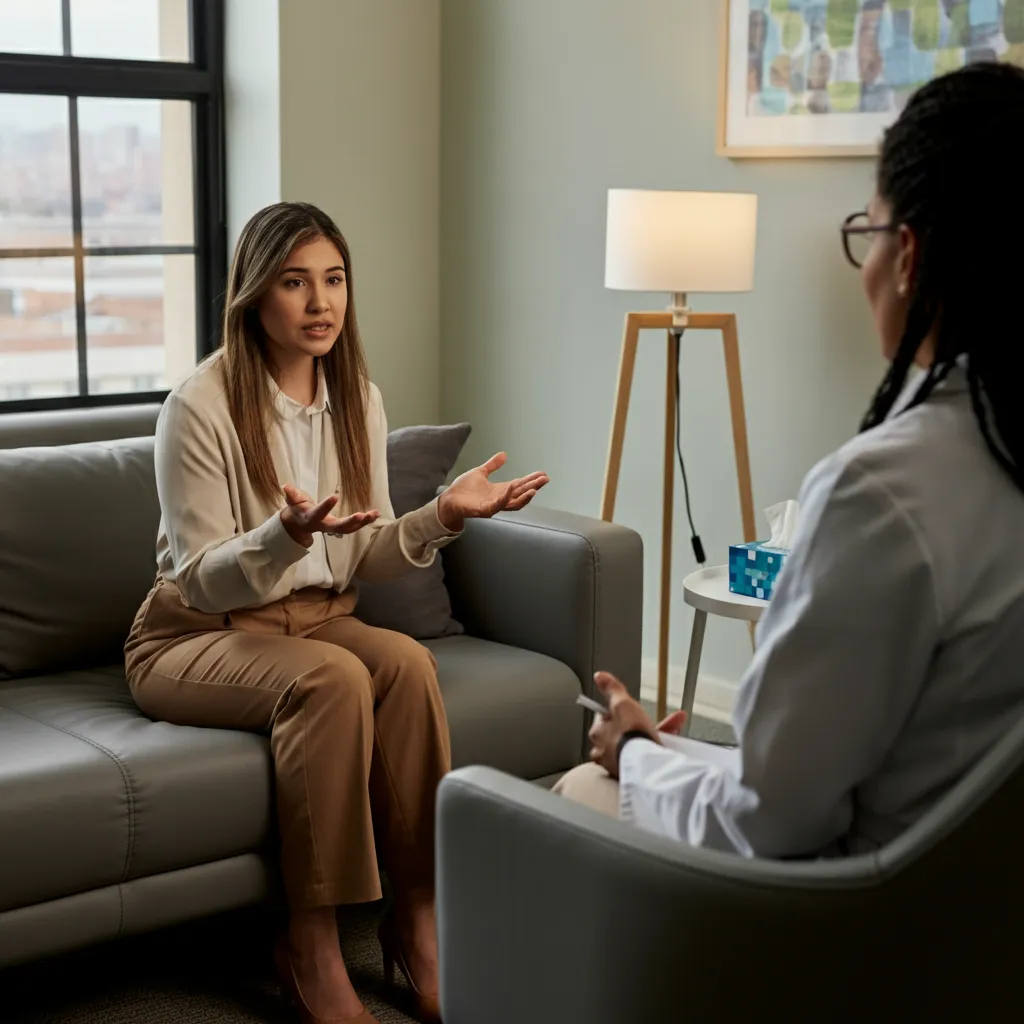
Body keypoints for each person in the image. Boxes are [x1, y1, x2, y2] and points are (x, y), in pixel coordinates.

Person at [556, 61, 1024, 860]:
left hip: (850, 914)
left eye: (865, 234)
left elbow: (768, 822)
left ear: (907, 255)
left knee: (579, 787)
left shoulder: (883, 493)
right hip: (976, 912)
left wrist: (634, 754)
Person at [125, 201, 548, 1024]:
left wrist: (443, 516)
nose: (321, 303)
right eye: (294, 282)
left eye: (334, 280)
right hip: (192, 633)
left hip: (316, 616)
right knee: (332, 680)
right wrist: (281, 537)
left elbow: (363, 555)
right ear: (254, 294)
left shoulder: (356, 396)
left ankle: (416, 919)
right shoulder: (199, 406)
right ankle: (311, 944)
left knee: (408, 664)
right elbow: (204, 581)